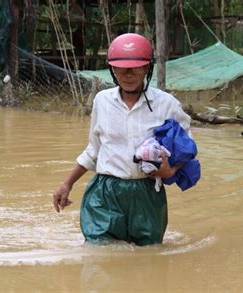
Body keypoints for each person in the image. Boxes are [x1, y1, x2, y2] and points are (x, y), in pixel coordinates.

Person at [52, 33, 192, 246]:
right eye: (121, 68)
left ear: (147, 68)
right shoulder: (102, 101)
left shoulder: (167, 104)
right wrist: (67, 184)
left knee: (148, 255)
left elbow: (188, 145)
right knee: (99, 252)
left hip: (146, 193)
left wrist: (170, 171)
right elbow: (94, 149)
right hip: (105, 192)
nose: (128, 74)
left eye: (136, 67)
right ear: (112, 70)